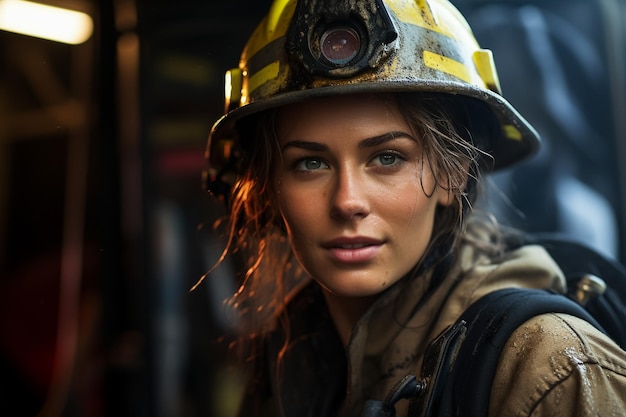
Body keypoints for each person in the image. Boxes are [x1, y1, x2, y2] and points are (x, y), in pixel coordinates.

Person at [202, 0, 626, 416]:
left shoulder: (547, 367)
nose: (348, 201)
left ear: (454, 173)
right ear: (266, 189)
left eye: (387, 157)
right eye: (310, 163)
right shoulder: (285, 362)